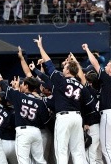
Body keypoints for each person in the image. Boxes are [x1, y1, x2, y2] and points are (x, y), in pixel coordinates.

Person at [34, 35, 95, 164]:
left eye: (65, 66)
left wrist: (40, 47)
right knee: (78, 151)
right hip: (77, 118)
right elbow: (90, 105)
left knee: (61, 150)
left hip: (64, 118)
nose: (63, 68)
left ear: (68, 71)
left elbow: (48, 62)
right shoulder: (81, 86)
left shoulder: (60, 79)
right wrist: (86, 119)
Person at [0, 58, 50, 164]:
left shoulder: (18, 96)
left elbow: (1, 81)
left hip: (23, 132)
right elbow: (45, 121)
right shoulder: (40, 101)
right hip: (37, 132)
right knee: (40, 160)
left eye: (23, 84)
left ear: (27, 86)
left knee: (23, 161)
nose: (21, 85)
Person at [82, 44, 111, 164]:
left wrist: (87, 50)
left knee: (107, 149)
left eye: (108, 65)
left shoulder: (108, 78)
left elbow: (94, 63)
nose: (105, 66)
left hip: (108, 115)